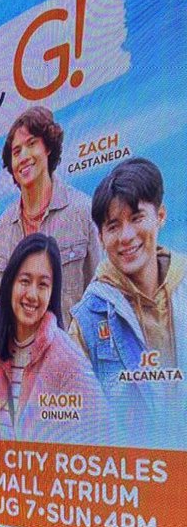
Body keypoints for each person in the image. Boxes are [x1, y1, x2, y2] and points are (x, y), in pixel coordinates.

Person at [69, 158, 186, 441]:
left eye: (136, 218)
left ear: (160, 216)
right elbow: (80, 425)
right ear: (100, 236)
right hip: (135, 476)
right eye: (113, 226)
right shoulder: (86, 321)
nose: (127, 236)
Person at [0, 106, 101, 352]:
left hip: (71, 368)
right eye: (16, 151)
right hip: (17, 372)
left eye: (31, 143)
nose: (24, 156)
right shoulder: (2, 230)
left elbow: (102, 298)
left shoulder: (83, 213)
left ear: (48, 147)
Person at [0, 233, 104, 441]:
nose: (31, 294)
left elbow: (102, 436)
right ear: (10, 283)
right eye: (25, 281)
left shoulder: (68, 361)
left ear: (52, 293)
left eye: (42, 285)